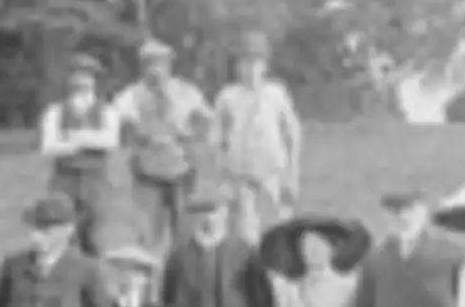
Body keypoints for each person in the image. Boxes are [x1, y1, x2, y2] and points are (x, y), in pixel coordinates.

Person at [112, 38, 215, 252]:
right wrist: (139, 134)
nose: (155, 70)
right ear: (142, 67)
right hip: (147, 176)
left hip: (182, 173)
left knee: (187, 237)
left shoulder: (186, 92)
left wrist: (189, 135)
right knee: (147, 237)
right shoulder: (131, 95)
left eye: (160, 63)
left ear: (169, 65)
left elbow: (207, 120)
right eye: (149, 64)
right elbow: (118, 123)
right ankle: (149, 281)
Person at [212, 30, 304, 244]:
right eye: (245, 63)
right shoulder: (228, 97)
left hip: (273, 174)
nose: (251, 69)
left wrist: (292, 174)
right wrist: (223, 178)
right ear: (237, 66)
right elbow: (217, 140)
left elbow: (293, 135)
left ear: (265, 66)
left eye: (256, 63)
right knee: (247, 235)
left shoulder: (276, 93)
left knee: (281, 231)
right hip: (242, 178)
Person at [40, 52, 125, 255]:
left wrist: (73, 137)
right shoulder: (55, 111)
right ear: (69, 79)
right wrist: (89, 139)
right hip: (64, 178)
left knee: (95, 235)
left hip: (95, 180)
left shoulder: (107, 111)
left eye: (87, 75)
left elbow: (110, 142)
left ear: (95, 81)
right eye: (76, 75)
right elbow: (49, 146)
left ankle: (93, 278)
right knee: (61, 230)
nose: (81, 80)